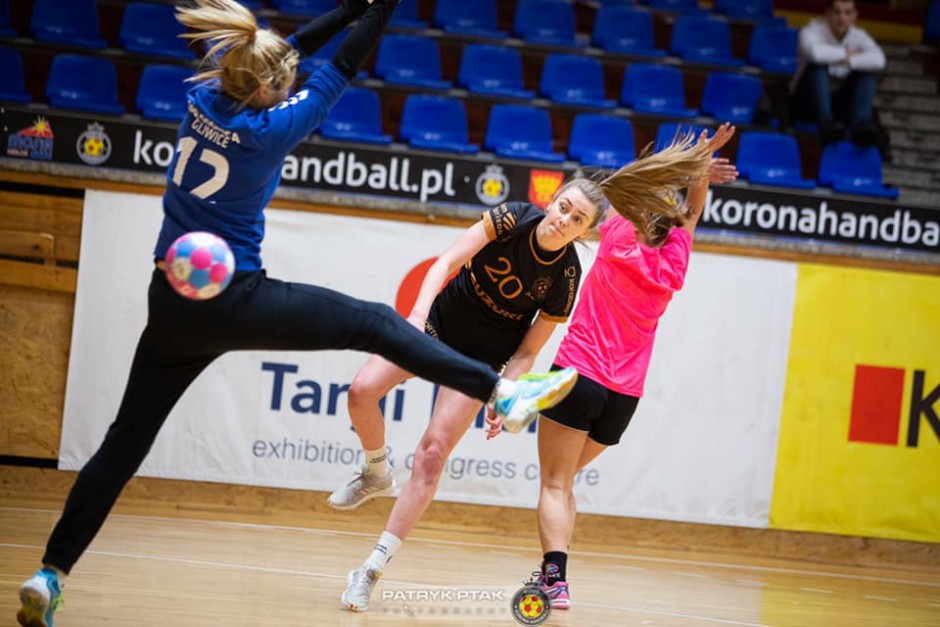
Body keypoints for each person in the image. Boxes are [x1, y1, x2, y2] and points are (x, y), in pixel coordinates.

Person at [14, 2, 580, 626]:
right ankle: (498, 390)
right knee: (372, 323)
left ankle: (50, 574)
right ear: (267, 89)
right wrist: (379, 9)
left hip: (171, 301)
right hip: (235, 299)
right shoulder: (271, 131)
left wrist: (345, 8)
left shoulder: (203, 98)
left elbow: (275, 55)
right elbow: (341, 59)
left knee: (123, 445)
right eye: (282, 78)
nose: (291, 78)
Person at [335, 129, 738, 613]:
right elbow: (686, 218)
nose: (566, 219)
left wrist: (502, 391)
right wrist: (696, 173)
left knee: (475, 465)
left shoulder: (587, 260)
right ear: (551, 203)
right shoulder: (663, 253)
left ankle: (378, 569)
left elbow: (529, 349)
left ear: (597, 227)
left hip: (526, 369)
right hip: (585, 381)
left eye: (579, 218)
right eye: (564, 207)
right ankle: (379, 472)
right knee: (364, 392)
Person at [486, 124, 740, 611]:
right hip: (623, 400)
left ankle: (556, 580)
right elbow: (690, 214)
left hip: (579, 376)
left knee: (554, 486)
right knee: (565, 486)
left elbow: (632, 181)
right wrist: (700, 173)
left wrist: (695, 160)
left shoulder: (619, 233)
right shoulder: (674, 261)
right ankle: (550, 574)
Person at [792, 0, 886, 146]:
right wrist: (845, 54)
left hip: (840, 104)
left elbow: (879, 60)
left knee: (867, 74)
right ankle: (826, 123)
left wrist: (848, 61)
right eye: (837, 12)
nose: (842, 18)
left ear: (854, 16)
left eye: (847, 12)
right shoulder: (811, 30)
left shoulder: (859, 36)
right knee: (818, 67)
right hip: (808, 102)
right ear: (828, 14)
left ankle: (861, 126)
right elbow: (815, 53)